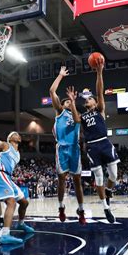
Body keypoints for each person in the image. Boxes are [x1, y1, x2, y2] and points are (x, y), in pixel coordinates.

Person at [71, 57, 118, 223]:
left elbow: (99, 91)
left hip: (105, 143)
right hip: (91, 147)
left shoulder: (99, 109)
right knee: (98, 177)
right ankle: (106, 207)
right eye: (86, 99)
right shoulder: (82, 116)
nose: (87, 100)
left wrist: (99, 72)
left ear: (95, 102)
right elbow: (76, 120)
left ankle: (108, 191)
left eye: (89, 98)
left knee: (114, 175)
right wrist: (72, 101)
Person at [49, 66, 85, 224]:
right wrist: (60, 75)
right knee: (62, 178)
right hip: (62, 149)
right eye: (67, 101)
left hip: (74, 149)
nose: (69, 102)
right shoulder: (59, 112)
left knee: (77, 181)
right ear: (62, 105)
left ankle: (81, 210)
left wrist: (74, 102)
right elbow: (52, 91)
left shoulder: (77, 114)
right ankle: (61, 207)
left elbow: (77, 121)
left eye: (71, 101)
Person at [0, 132, 34, 244]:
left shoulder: (18, 153)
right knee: (11, 202)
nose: (18, 135)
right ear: (9, 138)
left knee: (24, 203)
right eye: (15, 134)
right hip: (1, 174)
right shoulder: (5, 145)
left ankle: (21, 224)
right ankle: (5, 235)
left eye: (18, 134)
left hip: (8, 177)